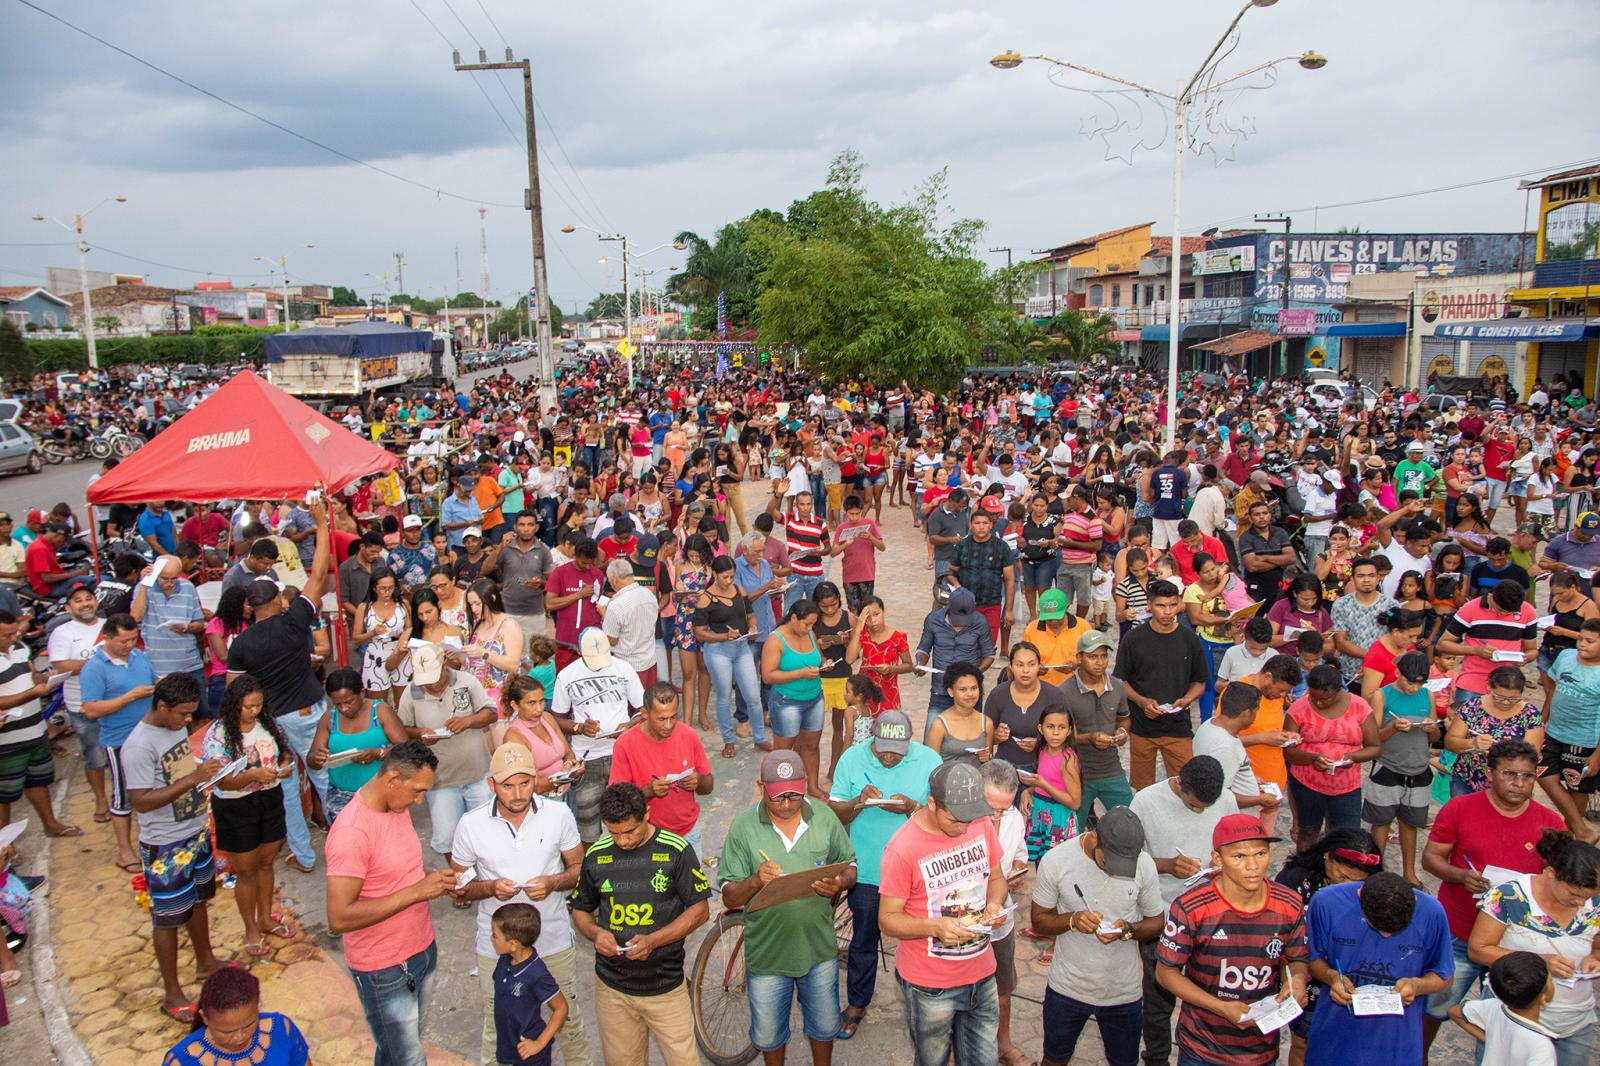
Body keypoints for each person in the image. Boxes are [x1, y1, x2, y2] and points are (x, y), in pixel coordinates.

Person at [1420, 739, 1566, 1054]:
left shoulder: (1551, 823)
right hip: (1458, 931)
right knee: (1433, 1008)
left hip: (1516, 941)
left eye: (1527, 776)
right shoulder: (1459, 808)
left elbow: (1559, 881)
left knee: (1504, 1020)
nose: (1519, 783)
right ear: (1490, 773)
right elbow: (1431, 858)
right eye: (1510, 774)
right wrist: (1460, 875)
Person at [451, 743, 590, 1066]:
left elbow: (579, 869)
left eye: (525, 783)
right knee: (496, 1024)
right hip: (496, 946)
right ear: (491, 785)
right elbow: (458, 888)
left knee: (568, 1020)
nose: (517, 793)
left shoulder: (558, 815)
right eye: (507, 785)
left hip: (553, 938)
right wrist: (489, 888)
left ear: (536, 779)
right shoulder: (470, 825)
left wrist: (553, 883)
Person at [719, 749, 856, 1066]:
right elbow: (728, 896)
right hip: (767, 955)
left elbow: (850, 866)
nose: (786, 804)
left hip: (818, 950)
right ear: (760, 786)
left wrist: (840, 883)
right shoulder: (743, 828)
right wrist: (754, 881)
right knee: (769, 1036)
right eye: (778, 797)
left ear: (806, 784)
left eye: (794, 796)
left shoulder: (823, 817)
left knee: (823, 1029)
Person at [325, 741, 458, 1066]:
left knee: (397, 1049)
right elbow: (339, 917)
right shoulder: (352, 833)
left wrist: (431, 879)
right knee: (409, 1057)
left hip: (420, 949)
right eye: (417, 791)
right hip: (385, 969)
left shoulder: (394, 806)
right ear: (393, 780)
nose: (420, 801)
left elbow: (396, 872)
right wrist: (417, 892)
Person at [877, 758, 1009, 1066]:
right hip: (930, 986)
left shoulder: (979, 823)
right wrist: (935, 927)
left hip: (983, 973)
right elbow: (887, 920)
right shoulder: (902, 849)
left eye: (969, 818)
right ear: (933, 803)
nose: (964, 827)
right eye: (955, 820)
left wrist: (995, 902)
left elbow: (998, 877)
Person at [570, 782, 711, 1066]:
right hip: (613, 990)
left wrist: (653, 941)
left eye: (630, 831)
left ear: (646, 813)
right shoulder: (596, 855)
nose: (622, 841)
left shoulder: (676, 850)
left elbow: (700, 910)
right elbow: (581, 910)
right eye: (615, 833)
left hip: (665, 988)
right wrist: (596, 933)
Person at [226, 497, 330, 874]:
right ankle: (345, 843)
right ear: (275, 599)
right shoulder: (294, 622)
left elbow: (234, 692)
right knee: (325, 778)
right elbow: (317, 576)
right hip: (308, 714)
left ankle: (304, 855)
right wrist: (321, 526)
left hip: (272, 724)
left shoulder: (241, 645)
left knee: (286, 791)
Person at [1154, 813, 1310, 1066]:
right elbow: (1165, 972)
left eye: (1261, 854)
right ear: (1217, 859)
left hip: (1261, 1049)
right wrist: (1221, 1007)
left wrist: (1298, 980)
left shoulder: (1289, 903)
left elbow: (1296, 958)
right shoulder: (1191, 908)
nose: (1253, 866)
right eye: (1239, 856)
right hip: (1202, 1049)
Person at [827, 709, 940, 1038]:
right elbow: (835, 811)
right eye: (884, 749)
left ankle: (929, 1002)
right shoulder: (851, 759)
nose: (890, 757)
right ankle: (858, 1003)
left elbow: (944, 817)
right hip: (868, 869)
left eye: (897, 751)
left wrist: (911, 808)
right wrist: (858, 803)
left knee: (923, 937)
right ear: (873, 739)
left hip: (918, 872)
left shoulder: (929, 760)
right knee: (863, 937)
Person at [123, 672, 226, 1023]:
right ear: (162, 706)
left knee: (199, 901)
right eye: (182, 714)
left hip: (194, 831)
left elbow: (176, 771)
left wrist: (203, 771)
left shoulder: (173, 727)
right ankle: (171, 993)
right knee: (167, 918)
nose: (187, 721)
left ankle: (205, 961)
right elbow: (141, 800)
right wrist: (192, 779)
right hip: (165, 843)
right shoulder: (138, 746)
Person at [1029, 806, 1164, 1066]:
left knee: (1124, 1061)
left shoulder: (1144, 865)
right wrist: (1072, 920)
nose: (1115, 871)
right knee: (1054, 1059)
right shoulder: (1057, 861)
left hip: (1122, 993)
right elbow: (1039, 921)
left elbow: (1156, 922)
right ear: (1093, 838)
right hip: (1066, 988)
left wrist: (1128, 930)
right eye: (1108, 862)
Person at [1465, 830, 1600, 1066]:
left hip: (1574, 1021)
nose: (1581, 903)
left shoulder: (1594, 901)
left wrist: (1596, 955)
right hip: (1515, 1017)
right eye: (1574, 894)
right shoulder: (1509, 897)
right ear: (1551, 873)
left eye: (1587, 897)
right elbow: (1478, 949)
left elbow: (1597, 942)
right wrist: (1539, 961)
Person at [1303, 871, 1454, 1066]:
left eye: (1394, 930)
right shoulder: (1326, 902)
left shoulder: (1433, 913)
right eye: (1376, 925)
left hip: (1397, 1045)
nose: (1384, 934)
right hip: (1333, 1040)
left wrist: (1417, 985)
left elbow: (1444, 976)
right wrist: (1332, 977)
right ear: (1360, 895)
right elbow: (1312, 961)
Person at [200, 676, 294, 959]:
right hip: (235, 806)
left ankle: (266, 917)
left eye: (259, 705)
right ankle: (251, 927)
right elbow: (221, 782)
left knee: (266, 863)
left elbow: (284, 752)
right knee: (246, 871)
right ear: (234, 705)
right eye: (248, 706)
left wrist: (285, 766)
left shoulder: (269, 725)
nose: (254, 711)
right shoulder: (218, 734)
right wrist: (252, 775)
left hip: (269, 799)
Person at [396, 643, 494, 863]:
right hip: (440, 781)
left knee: (487, 832)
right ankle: (460, 879)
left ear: (444, 666)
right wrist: (420, 733)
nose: (431, 685)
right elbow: (401, 730)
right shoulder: (410, 693)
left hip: (477, 774)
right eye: (426, 682)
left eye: (435, 678)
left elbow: (491, 713)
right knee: (448, 837)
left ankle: (489, 876)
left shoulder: (466, 682)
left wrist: (469, 721)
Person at [80, 612, 159, 872]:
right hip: (119, 741)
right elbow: (90, 709)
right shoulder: (94, 667)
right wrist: (129, 697)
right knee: (123, 796)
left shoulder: (139, 656)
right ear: (108, 638)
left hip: (149, 735)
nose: (129, 646)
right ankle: (125, 852)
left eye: (133, 639)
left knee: (153, 789)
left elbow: (153, 679)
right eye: (123, 641)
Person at [552, 627, 645, 844]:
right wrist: (579, 728)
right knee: (588, 825)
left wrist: (629, 725)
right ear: (580, 653)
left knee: (626, 819)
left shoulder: (623, 668)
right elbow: (555, 718)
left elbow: (643, 708)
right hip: (586, 759)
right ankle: (593, 868)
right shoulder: (567, 676)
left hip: (620, 755)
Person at [1114, 580, 1207, 789]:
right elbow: (1121, 680)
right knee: (1143, 788)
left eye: (1172, 605)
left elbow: (1200, 681)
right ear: (1149, 605)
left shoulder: (1189, 639)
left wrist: (1186, 700)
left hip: (1178, 726)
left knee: (1185, 785)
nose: (1167, 612)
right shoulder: (1134, 639)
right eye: (1161, 606)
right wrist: (1142, 701)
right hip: (1142, 727)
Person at [608, 681, 714, 856]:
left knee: (692, 883)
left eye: (674, 717)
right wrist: (649, 791)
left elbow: (708, 786)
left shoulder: (689, 735)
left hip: (688, 833)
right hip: (648, 838)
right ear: (644, 714)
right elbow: (617, 802)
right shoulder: (625, 744)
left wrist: (699, 780)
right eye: (661, 719)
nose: (669, 725)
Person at [696, 553, 772, 758]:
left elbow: (749, 614)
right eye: (724, 577)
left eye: (731, 576)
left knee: (753, 696)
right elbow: (699, 632)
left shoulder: (739, 590)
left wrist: (753, 625)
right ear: (715, 574)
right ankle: (728, 741)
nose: (728, 581)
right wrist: (723, 636)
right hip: (718, 652)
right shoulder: (705, 598)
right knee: (723, 697)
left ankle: (759, 738)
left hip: (741, 648)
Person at [308, 668, 408, 821]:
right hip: (340, 796)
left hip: (381, 793)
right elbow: (312, 760)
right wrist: (317, 758)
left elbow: (406, 750)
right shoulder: (329, 719)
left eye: (349, 702)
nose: (344, 708)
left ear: (362, 692)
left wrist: (378, 753)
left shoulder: (380, 712)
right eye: (337, 704)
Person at [47, 584, 111, 823]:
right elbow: (61, 666)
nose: (85, 603)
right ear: (68, 607)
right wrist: (101, 662)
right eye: (78, 600)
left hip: (116, 702)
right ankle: (101, 800)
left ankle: (122, 797)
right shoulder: (62, 632)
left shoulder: (109, 626)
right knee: (94, 755)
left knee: (122, 753)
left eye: (88, 598)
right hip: (82, 706)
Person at [161, 966, 311, 1066]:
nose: (240, 1037)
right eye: (227, 1032)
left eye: (249, 1025)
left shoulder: (281, 1028)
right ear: (204, 1017)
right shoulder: (183, 1058)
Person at [1538, 617, 1600, 842]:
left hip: (1585, 740)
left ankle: (1571, 834)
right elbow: (1552, 690)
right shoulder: (1565, 657)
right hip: (1554, 731)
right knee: (1542, 773)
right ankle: (1581, 830)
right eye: (1581, 639)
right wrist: (1541, 722)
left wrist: (1597, 755)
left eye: (1590, 641)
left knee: (1578, 788)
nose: (1582, 644)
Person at [487, 903, 569, 1066]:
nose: (491, 938)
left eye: (495, 935)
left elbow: (561, 1008)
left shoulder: (537, 973)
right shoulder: (505, 959)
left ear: (513, 944)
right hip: (509, 1046)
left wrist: (539, 1043)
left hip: (530, 1053)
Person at [762, 600, 829, 796]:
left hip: (814, 698)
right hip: (786, 702)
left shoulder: (809, 633)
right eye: (806, 623)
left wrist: (826, 663)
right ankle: (778, 788)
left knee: (811, 745)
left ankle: (813, 786)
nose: (810, 628)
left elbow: (818, 657)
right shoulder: (775, 640)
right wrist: (800, 673)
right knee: (784, 751)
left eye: (812, 624)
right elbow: (768, 675)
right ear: (793, 618)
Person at [130, 554, 208, 716]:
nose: (170, 583)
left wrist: (186, 627)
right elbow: (135, 617)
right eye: (165, 579)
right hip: (159, 668)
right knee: (166, 716)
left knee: (201, 714)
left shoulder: (187, 587)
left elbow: (199, 623)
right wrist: (144, 584)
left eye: (174, 578)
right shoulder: (144, 588)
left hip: (190, 664)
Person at [1449, 952, 1560, 1066]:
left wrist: (1493, 1041)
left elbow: (1454, 1012)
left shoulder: (1493, 1007)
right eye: (1551, 981)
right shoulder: (1541, 1046)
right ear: (1543, 998)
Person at [1193, 681, 1281, 813]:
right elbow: (1220, 796)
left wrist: (1249, 779)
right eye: (1256, 711)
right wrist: (1260, 799)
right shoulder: (1226, 748)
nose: (1256, 717)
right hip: (1234, 821)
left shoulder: (1209, 724)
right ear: (1246, 713)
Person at [984, 640, 1068, 772]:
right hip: (1003, 767)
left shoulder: (1054, 696)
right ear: (1010, 666)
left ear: (1039, 666)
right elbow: (985, 737)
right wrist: (996, 736)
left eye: (1031, 664)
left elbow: (1067, 736)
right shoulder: (998, 695)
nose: (1025, 670)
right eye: (1019, 665)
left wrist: (1041, 743)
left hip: (1043, 770)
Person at [915, 587, 996, 719]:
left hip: (969, 695)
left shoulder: (980, 622)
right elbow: (923, 649)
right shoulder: (933, 619)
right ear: (948, 608)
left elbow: (989, 655)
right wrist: (920, 663)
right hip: (940, 692)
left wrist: (973, 673)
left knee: (971, 736)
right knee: (931, 737)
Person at [947, 499, 1016, 646]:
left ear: (991, 525)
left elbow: (1010, 579)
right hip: (966, 605)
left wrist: (1008, 610)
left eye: (985, 523)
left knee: (987, 645)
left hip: (992, 604)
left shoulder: (1001, 547)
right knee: (966, 644)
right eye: (977, 523)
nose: (981, 527)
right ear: (971, 525)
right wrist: (957, 585)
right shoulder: (962, 546)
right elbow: (950, 571)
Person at [1331, 558, 1399, 694]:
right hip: (1350, 674)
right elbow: (1340, 642)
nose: (1366, 580)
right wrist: (1371, 659)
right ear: (1353, 579)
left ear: (1379, 577)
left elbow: (1396, 639)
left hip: (1383, 674)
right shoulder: (1341, 605)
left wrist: (1373, 664)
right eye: (1361, 576)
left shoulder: (1392, 605)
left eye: (1371, 575)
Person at [603, 557, 660, 687]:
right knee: (647, 703)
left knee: (631, 705)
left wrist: (604, 614)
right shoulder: (649, 595)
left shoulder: (616, 605)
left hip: (627, 666)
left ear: (613, 580)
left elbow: (612, 640)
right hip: (649, 661)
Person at [1020, 588, 1092, 687]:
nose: (1053, 622)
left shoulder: (1083, 627)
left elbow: (1093, 658)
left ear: (1067, 608)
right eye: (1048, 618)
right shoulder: (1031, 629)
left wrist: (1077, 665)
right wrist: (1034, 667)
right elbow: (1023, 658)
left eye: (1057, 617)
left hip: (1075, 687)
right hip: (1040, 687)